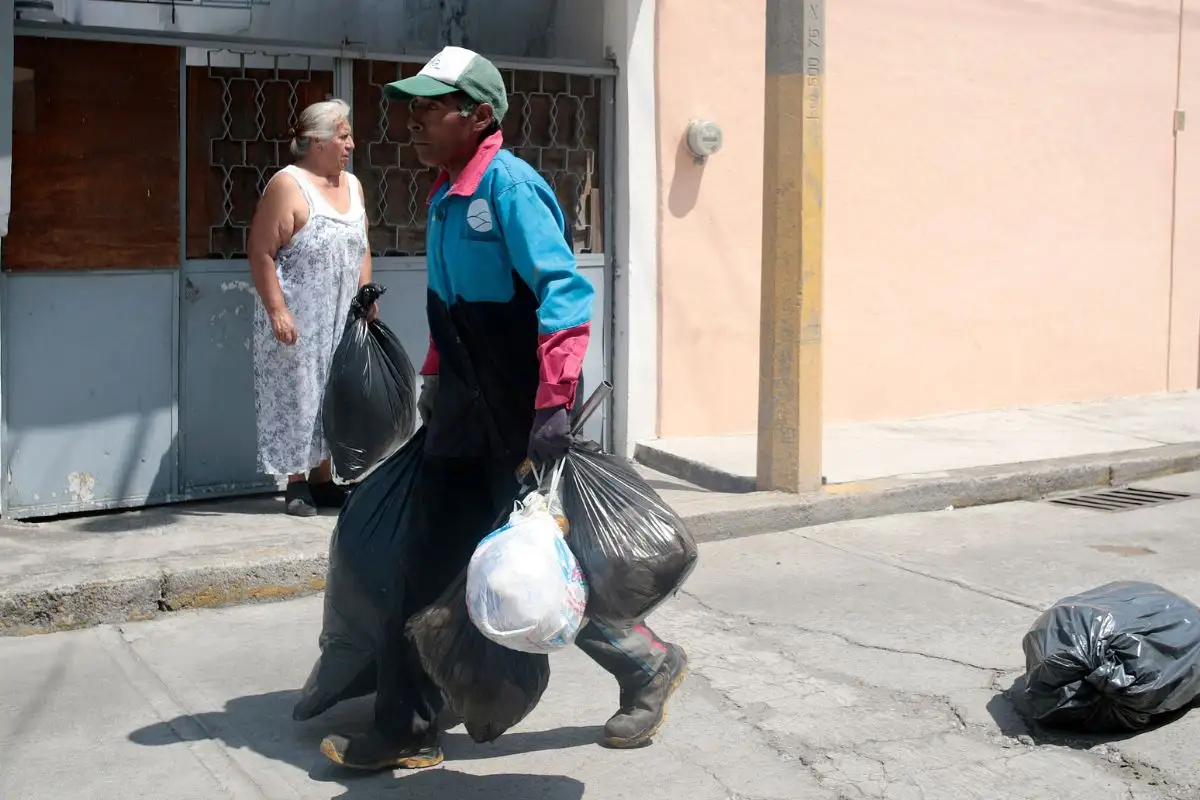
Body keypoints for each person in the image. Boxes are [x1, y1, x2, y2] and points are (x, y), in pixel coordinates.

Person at [319, 46, 688, 771]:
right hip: (459, 414)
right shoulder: (445, 195)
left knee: (531, 572)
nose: (413, 123)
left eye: (430, 108)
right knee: (422, 566)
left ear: (478, 114)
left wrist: (551, 409)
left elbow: (565, 297)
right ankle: (408, 728)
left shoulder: (510, 190)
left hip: (519, 421)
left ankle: (647, 664)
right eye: (412, 109)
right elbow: (447, 305)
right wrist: (429, 378)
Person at [247, 98, 375, 517]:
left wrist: (366, 292)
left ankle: (324, 478)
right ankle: (296, 482)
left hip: (340, 314)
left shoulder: (352, 186)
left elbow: (362, 246)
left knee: (333, 393)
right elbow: (261, 251)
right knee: (299, 394)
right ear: (317, 142)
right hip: (299, 317)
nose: (351, 144)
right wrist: (277, 310)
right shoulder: (287, 185)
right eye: (343, 136)